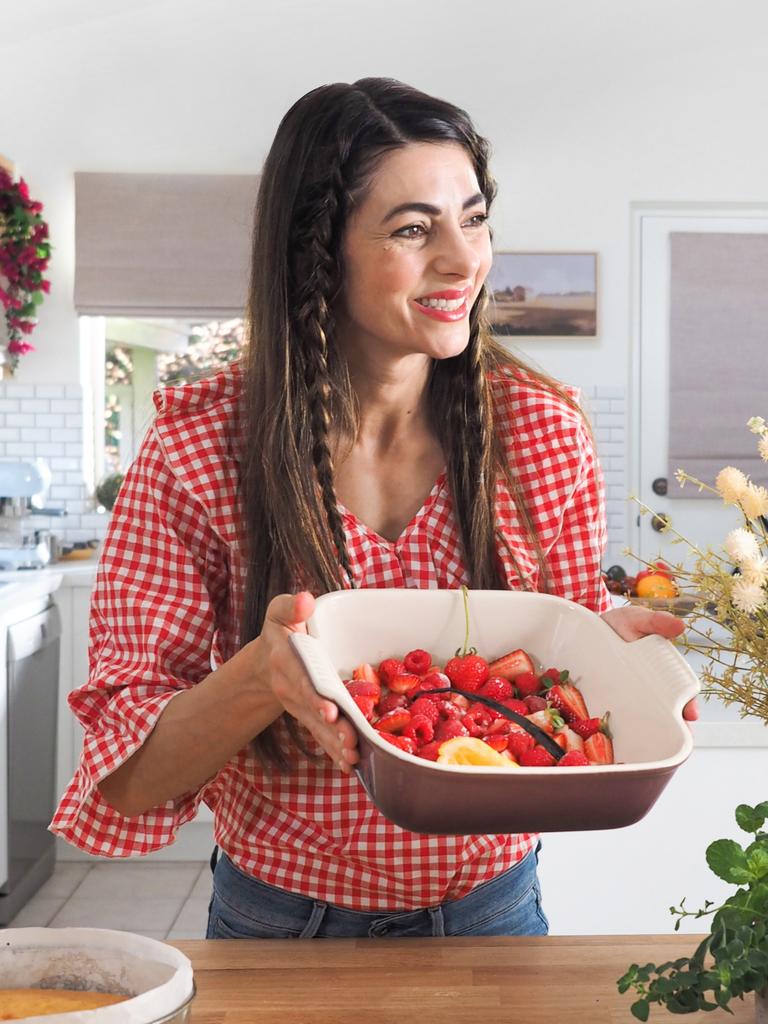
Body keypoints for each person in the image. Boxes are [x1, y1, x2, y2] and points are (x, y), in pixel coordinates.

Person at [51, 78, 696, 939]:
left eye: (473, 218)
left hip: (494, 914)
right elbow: (128, 780)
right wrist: (262, 675)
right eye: (412, 229)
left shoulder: (544, 431)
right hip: (278, 923)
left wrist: (609, 660)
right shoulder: (198, 449)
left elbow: (562, 663)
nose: (464, 260)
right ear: (320, 252)